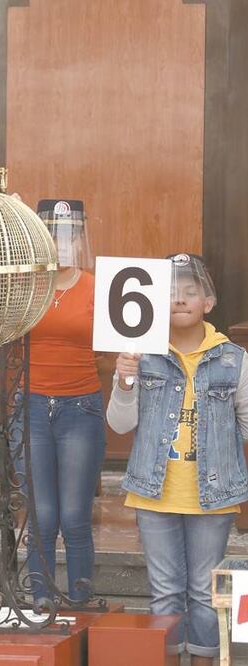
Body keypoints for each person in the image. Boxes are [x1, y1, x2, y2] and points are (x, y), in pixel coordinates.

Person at [108, 253, 248, 666]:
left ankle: (204, 660)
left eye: (191, 292)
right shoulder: (140, 355)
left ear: (209, 302)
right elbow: (118, 425)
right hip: (153, 494)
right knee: (165, 590)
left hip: (215, 495)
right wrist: (124, 381)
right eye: (171, 293)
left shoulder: (234, 360)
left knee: (206, 591)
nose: (181, 300)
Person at [10, 199, 105, 605]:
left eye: (69, 233)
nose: (61, 241)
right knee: (41, 517)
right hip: (30, 406)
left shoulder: (99, 286)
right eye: (52, 233)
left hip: (80, 407)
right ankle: (39, 605)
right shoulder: (24, 284)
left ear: (81, 238)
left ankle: (80, 610)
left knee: (75, 518)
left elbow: (118, 342)